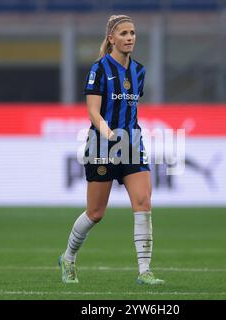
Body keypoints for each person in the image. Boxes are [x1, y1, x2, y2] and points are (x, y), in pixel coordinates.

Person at [58, 14, 164, 285]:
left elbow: (131, 108)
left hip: (132, 145)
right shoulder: (99, 69)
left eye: (133, 33)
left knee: (143, 204)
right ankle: (68, 257)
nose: (130, 38)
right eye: (124, 33)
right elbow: (94, 112)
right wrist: (109, 135)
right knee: (95, 213)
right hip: (102, 145)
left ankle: (145, 272)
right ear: (111, 38)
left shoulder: (139, 71)